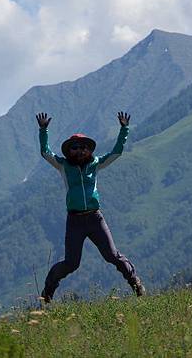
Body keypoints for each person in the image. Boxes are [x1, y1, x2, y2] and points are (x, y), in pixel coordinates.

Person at [35, 111, 145, 302]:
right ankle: (47, 292)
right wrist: (43, 130)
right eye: (75, 148)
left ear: (89, 150)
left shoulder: (95, 164)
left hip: (95, 218)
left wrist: (124, 129)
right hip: (75, 220)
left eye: (83, 147)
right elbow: (45, 152)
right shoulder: (63, 166)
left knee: (112, 255)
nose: (80, 151)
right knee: (71, 263)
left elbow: (116, 152)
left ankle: (135, 284)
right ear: (69, 151)